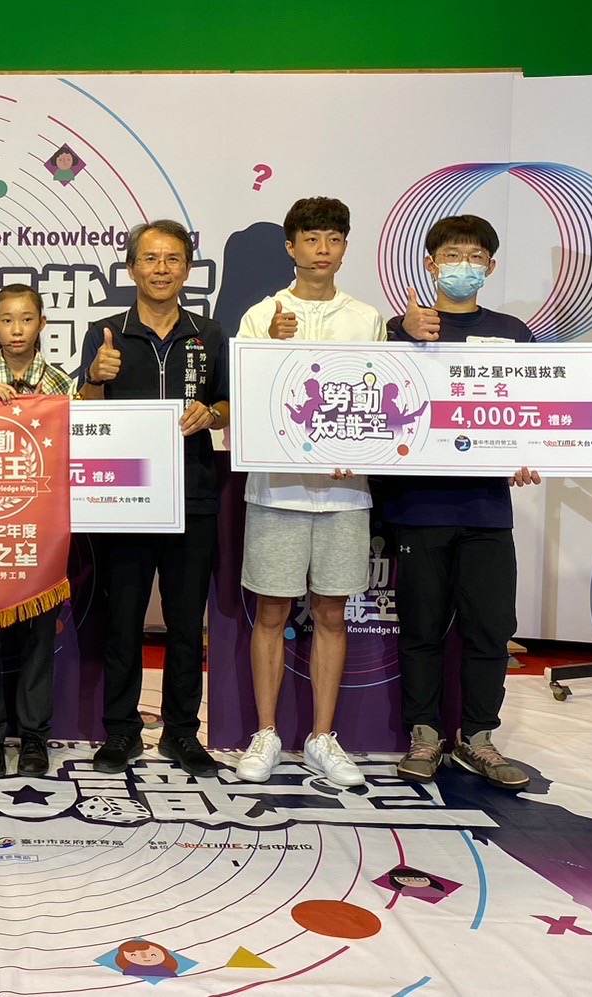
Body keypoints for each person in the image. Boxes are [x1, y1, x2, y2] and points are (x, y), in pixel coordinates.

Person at [380, 214, 539, 790]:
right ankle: (425, 735)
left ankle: (478, 738)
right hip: (419, 505)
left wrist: (529, 451)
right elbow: (376, 403)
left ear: (490, 267)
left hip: (486, 507)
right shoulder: (402, 327)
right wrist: (403, 332)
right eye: (451, 256)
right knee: (421, 627)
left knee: (491, 629)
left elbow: (531, 405)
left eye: (474, 257)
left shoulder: (513, 332)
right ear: (430, 264)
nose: (462, 266)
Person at [233, 196, 386, 787]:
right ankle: (266, 734)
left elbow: (381, 404)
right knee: (271, 611)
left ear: (345, 248)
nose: (322, 250)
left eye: (333, 239)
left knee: (331, 612)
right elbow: (247, 399)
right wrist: (270, 346)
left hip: (345, 494)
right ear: (291, 247)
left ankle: (323, 738)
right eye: (311, 239)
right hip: (276, 490)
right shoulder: (261, 315)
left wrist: (363, 450)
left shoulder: (367, 318)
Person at [79, 219, 228, 778]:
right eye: (150, 258)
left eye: (172, 259)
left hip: (193, 497)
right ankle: (121, 731)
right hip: (126, 499)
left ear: (187, 269)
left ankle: (182, 732)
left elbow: (229, 404)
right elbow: (84, 409)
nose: (161, 269)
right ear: (131, 268)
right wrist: (96, 376)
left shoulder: (208, 334)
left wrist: (211, 413)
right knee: (123, 621)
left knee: (187, 623)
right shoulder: (106, 333)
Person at [0, 284, 75, 779]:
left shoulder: (62, 386)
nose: (16, 330)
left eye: (26, 319)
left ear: (42, 324)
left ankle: (34, 737)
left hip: (41, 531)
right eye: (6, 320)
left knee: (38, 637)